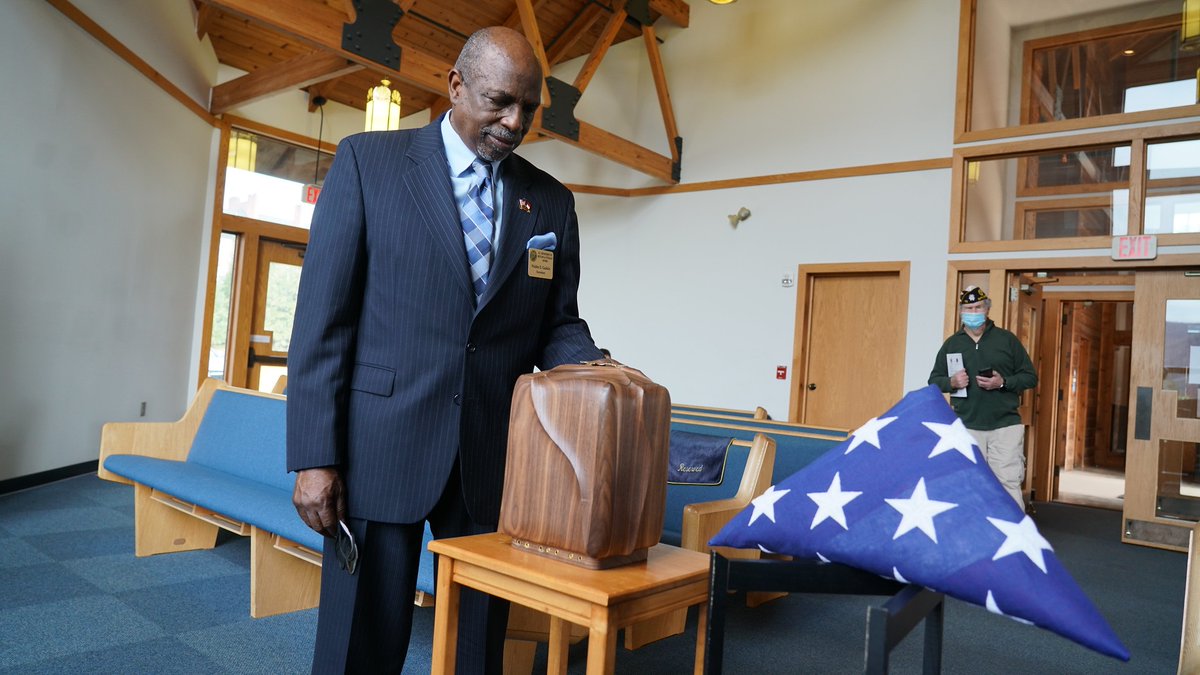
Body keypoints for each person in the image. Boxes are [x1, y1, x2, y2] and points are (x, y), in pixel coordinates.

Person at [286, 26, 603, 674]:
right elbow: (321, 322)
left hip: (490, 455)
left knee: (480, 647)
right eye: (499, 101)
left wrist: (602, 372)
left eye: (529, 107)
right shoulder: (366, 164)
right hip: (380, 449)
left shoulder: (550, 203)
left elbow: (556, 325)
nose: (515, 122)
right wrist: (314, 456)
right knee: (359, 647)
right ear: (455, 86)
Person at [928, 287, 1037, 508]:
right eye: (969, 308)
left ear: (987, 309)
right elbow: (933, 380)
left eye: (978, 307)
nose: (974, 312)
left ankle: (1014, 538)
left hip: (1005, 425)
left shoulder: (1006, 340)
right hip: (966, 426)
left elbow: (1030, 377)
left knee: (1007, 481)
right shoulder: (952, 344)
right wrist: (952, 383)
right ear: (961, 312)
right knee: (968, 483)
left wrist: (1003, 382)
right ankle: (973, 538)